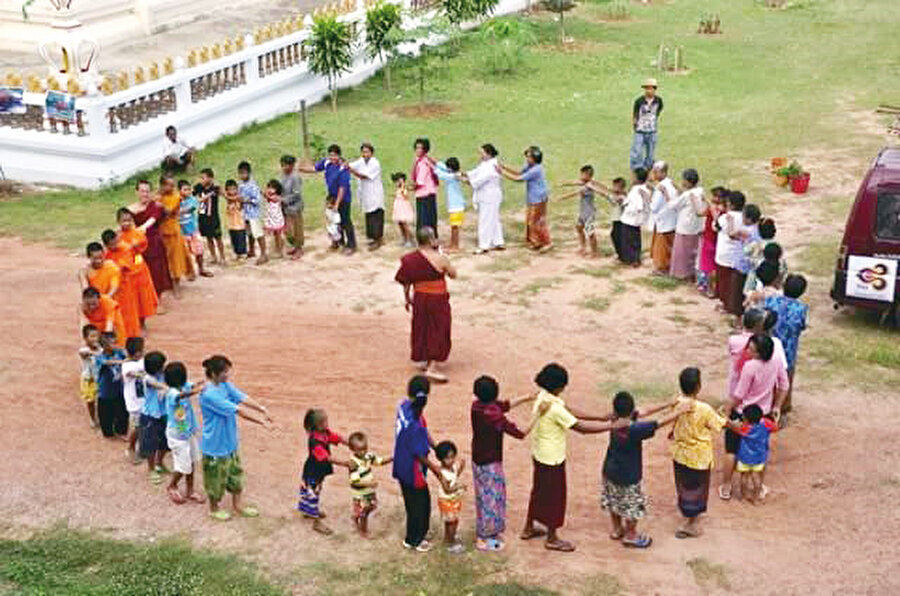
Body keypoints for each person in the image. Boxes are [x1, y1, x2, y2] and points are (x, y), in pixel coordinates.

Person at [521, 363, 620, 553]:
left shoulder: (544, 397)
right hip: (553, 458)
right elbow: (580, 428)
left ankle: (529, 527)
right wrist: (611, 426)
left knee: (539, 491)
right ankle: (552, 538)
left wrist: (600, 418)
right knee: (555, 498)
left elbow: (569, 409)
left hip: (540, 453)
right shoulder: (554, 407)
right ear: (559, 387)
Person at [601, 392, 686, 549]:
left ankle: (617, 529)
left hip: (610, 469)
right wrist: (678, 412)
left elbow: (646, 411)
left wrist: (668, 403)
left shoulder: (614, 420)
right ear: (632, 409)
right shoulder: (635, 429)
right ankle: (631, 535)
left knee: (614, 500)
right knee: (632, 506)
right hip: (628, 475)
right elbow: (657, 423)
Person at [470, 376, 544, 552]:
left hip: (478, 457)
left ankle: (487, 531)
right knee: (491, 497)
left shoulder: (477, 406)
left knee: (483, 496)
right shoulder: (493, 415)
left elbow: (505, 405)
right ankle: (483, 537)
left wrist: (526, 397)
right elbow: (521, 433)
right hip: (490, 461)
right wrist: (538, 415)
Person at [199, 355, 273, 521]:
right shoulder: (209, 395)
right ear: (214, 373)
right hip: (215, 446)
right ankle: (213, 508)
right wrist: (261, 422)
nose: (228, 374)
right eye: (225, 372)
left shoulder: (224, 385)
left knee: (236, 474)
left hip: (229, 441)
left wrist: (262, 409)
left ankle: (237, 505)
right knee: (215, 479)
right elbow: (238, 410)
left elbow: (242, 397)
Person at [719, 334, 788, 500]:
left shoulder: (750, 366)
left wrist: (727, 410)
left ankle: (727, 485)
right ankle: (759, 485)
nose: (747, 351)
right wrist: (777, 406)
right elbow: (784, 385)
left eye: (751, 349)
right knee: (760, 450)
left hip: (744, 414)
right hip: (763, 415)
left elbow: (739, 395)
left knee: (731, 449)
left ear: (759, 353)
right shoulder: (777, 361)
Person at [392, 376, 452, 553]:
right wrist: (437, 471)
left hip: (401, 463)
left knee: (412, 501)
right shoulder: (415, 423)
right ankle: (414, 539)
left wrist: (436, 447)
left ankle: (417, 533)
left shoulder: (404, 407)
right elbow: (419, 453)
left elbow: (424, 432)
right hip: (413, 470)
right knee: (420, 504)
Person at [395, 227, 457, 383]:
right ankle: (432, 367)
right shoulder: (440, 258)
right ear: (431, 240)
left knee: (422, 327)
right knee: (438, 328)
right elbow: (453, 274)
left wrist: (407, 298)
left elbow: (406, 281)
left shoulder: (410, 259)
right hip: (437, 298)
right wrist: (443, 255)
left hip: (420, 297)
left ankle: (424, 358)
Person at [671, 367, 726, 539]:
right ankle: (691, 524)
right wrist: (727, 417)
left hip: (680, 454)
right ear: (698, 387)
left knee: (684, 485)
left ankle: (688, 517)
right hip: (699, 456)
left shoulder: (677, 402)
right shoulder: (705, 409)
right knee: (698, 488)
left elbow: (674, 420)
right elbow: (719, 424)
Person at [298, 408, 350, 535]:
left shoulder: (324, 433)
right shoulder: (315, 441)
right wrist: (345, 463)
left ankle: (307, 511)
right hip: (314, 471)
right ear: (318, 425)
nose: (327, 423)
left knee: (313, 490)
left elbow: (336, 437)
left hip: (318, 469)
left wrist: (349, 443)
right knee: (314, 492)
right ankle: (316, 521)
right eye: (324, 421)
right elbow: (328, 458)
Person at [764, 274, 808, 415]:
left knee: (767, 375)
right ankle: (782, 407)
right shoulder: (801, 308)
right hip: (788, 349)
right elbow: (800, 326)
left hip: (769, 346)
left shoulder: (771, 300)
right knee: (786, 378)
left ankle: (765, 403)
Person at [163, 361, 206, 505]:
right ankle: (172, 485)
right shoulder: (172, 393)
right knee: (183, 466)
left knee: (192, 462)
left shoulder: (184, 385)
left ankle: (190, 490)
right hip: (177, 436)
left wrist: (200, 384)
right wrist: (196, 391)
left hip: (188, 432)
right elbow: (181, 395)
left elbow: (190, 386)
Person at [304, 145, 356, 254]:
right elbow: (315, 168)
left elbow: (343, 188)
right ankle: (337, 241)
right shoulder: (326, 162)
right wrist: (301, 169)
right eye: (331, 155)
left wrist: (337, 203)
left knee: (345, 221)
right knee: (333, 221)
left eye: (335, 155)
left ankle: (351, 245)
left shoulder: (343, 168)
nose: (332, 158)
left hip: (344, 198)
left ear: (339, 155)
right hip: (331, 197)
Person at [498, 146, 551, 251]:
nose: (527, 159)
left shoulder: (536, 169)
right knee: (530, 220)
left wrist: (501, 172)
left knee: (536, 221)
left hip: (539, 198)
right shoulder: (530, 166)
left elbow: (518, 178)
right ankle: (535, 241)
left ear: (534, 158)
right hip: (533, 198)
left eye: (529, 157)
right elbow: (519, 172)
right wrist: (503, 167)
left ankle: (546, 242)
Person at [82, 240, 139, 338]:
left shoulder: (111, 267)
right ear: (88, 257)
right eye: (95, 258)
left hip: (112, 301)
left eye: (101, 257)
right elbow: (85, 288)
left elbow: (114, 286)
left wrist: (104, 299)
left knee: (121, 330)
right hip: (95, 304)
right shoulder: (85, 271)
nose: (98, 261)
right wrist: (91, 302)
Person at [113, 208, 160, 324]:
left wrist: (134, 245)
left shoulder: (138, 234)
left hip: (139, 271)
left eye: (129, 220)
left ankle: (142, 321)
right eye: (124, 221)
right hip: (124, 273)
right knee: (128, 298)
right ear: (118, 222)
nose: (127, 223)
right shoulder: (116, 236)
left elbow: (142, 246)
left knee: (141, 297)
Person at [724, 404, 777, 504]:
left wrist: (725, 417)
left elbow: (732, 427)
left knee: (744, 477)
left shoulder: (744, 428)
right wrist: (775, 418)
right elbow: (775, 427)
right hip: (759, 458)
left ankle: (743, 497)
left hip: (745, 458)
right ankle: (756, 499)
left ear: (746, 418)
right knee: (756, 478)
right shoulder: (766, 424)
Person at [129, 180, 173, 296]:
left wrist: (142, 228)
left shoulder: (156, 206)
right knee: (140, 270)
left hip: (154, 243)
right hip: (138, 245)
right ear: (137, 192)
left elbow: (153, 219)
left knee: (156, 272)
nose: (145, 194)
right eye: (142, 191)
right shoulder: (131, 209)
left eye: (147, 191)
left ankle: (158, 299)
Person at [346, 431, 392, 537]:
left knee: (370, 507)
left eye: (365, 448)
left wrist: (392, 458)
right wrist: (368, 484)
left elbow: (379, 461)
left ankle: (356, 517)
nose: (363, 452)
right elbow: (354, 482)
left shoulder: (368, 456)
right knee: (364, 513)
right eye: (360, 450)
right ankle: (363, 531)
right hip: (360, 493)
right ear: (352, 449)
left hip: (369, 491)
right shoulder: (353, 464)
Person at [158, 174, 195, 295]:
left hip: (173, 230)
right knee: (165, 258)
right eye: (169, 185)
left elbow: (168, 211)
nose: (172, 187)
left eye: (173, 185)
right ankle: (167, 281)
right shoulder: (158, 197)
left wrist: (159, 202)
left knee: (176, 258)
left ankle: (176, 284)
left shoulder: (176, 197)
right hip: (160, 232)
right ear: (162, 185)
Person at [556, 165, 601, 258]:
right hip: (583, 212)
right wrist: (564, 184)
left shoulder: (589, 186)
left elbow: (575, 193)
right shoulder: (587, 183)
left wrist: (561, 198)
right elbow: (575, 182)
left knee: (590, 232)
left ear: (588, 176)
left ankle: (594, 252)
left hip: (589, 213)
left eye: (583, 174)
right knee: (579, 227)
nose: (580, 176)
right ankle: (583, 247)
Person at [467, 143, 505, 254]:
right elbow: (475, 172)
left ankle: (484, 245)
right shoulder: (485, 164)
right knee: (493, 219)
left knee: (485, 220)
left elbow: (479, 180)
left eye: (482, 153)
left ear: (488, 154)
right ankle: (498, 241)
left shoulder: (492, 166)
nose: (480, 155)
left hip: (489, 197)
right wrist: (462, 174)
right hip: (487, 196)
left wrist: (465, 180)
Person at [347, 142, 385, 251]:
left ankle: (378, 239)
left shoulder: (375, 163)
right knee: (369, 215)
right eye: (363, 152)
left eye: (367, 152)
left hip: (375, 193)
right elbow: (351, 165)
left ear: (372, 153)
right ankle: (372, 238)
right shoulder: (361, 161)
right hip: (366, 193)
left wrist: (351, 170)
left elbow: (364, 176)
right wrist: (344, 164)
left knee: (376, 215)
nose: (365, 154)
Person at [139, 350, 170, 485]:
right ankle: (151, 469)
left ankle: (159, 463)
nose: (164, 366)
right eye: (162, 365)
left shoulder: (164, 375)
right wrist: (170, 388)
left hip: (164, 414)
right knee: (150, 444)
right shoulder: (148, 378)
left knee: (165, 441)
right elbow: (162, 386)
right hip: (150, 416)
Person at [669, 168, 705, 280]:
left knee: (682, 253)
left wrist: (666, 194)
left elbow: (673, 205)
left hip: (685, 227)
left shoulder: (687, 195)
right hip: (696, 227)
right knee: (693, 251)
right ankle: (692, 272)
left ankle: (682, 274)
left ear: (688, 182)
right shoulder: (700, 191)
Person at [714, 191, 747, 316]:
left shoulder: (726, 217)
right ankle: (734, 305)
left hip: (725, 255)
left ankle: (726, 305)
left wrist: (716, 215)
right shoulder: (745, 217)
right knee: (735, 284)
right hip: (738, 255)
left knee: (724, 283)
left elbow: (715, 227)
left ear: (730, 204)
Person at [94, 332, 129, 440]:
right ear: (104, 346)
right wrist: (122, 361)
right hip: (105, 391)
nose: (115, 345)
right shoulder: (99, 357)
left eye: (115, 342)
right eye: (111, 343)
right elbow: (106, 362)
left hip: (119, 389)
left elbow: (127, 356)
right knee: (106, 414)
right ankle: (108, 432)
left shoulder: (119, 352)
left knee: (122, 412)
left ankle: (121, 431)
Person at [435, 440, 466, 554]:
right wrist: (460, 487)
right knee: (453, 522)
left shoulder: (451, 468)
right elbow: (447, 490)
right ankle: (451, 543)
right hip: (448, 500)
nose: (451, 460)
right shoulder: (442, 473)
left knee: (449, 521)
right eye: (448, 458)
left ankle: (447, 539)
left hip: (452, 500)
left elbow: (454, 477)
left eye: (453, 457)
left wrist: (461, 468)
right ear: (441, 459)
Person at [732, 203, 763, 315]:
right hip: (751, 267)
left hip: (742, 266)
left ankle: (738, 319)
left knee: (738, 294)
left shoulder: (746, 231)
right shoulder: (758, 230)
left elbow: (732, 234)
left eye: (743, 216)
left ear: (749, 219)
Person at [648, 161, 679, 275]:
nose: (654, 174)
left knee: (662, 246)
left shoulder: (660, 188)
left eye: (656, 172)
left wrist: (648, 198)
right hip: (672, 220)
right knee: (669, 245)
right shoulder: (671, 183)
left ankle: (661, 268)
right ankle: (669, 265)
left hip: (663, 220)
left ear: (663, 172)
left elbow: (654, 207)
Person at [178, 180, 212, 278]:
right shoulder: (176, 201)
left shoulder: (192, 200)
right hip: (182, 232)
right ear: (179, 191)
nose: (188, 192)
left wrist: (177, 211)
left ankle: (201, 269)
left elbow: (191, 208)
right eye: (185, 190)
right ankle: (189, 272)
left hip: (193, 230)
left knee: (199, 251)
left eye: (189, 189)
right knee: (186, 254)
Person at [697, 187, 727, 297]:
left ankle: (709, 289)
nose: (715, 198)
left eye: (717, 196)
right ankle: (712, 287)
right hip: (714, 239)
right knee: (712, 266)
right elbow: (701, 214)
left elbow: (714, 219)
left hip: (711, 240)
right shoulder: (724, 209)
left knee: (708, 266)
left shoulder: (718, 210)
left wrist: (707, 203)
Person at [618, 167, 650, 266]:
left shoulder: (638, 190)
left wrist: (626, 205)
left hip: (631, 219)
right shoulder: (642, 188)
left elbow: (638, 205)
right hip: (633, 219)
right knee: (634, 238)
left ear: (637, 178)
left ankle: (633, 259)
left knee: (630, 239)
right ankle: (633, 258)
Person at [121, 337, 146, 464]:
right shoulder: (126, 365)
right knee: (137, 427)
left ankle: (142, 446)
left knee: (144, 425)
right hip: (134, 403)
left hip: (143, 400)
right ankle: (130, 448)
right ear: (136, 353)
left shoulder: (141, 361)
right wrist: (143, 375)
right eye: (142, 350)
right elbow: (131, 373)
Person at [237, 161, 268, 264]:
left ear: (249, 173)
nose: (242, 175)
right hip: (246, 213)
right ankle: (252, 250)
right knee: (249, 233)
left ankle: (264, 254)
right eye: (240, 173)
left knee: (258, 233)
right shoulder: (241, 185)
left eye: (244, 173)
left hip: (254, 214)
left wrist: (245, 200)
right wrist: (240, 205)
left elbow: (257, 200)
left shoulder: (253, 185)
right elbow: (240, 198)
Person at [433, 158, 465, 252]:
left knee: (455, 227)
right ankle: (453, 244)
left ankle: (455, 246)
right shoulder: (454, 174)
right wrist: (435, 162)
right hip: (456, 205)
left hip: (456, 206)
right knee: (453, 226)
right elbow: (443, 167)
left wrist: (432, 166)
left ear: (451, 168)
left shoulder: (451, 177)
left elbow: (440, 173)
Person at [630, 78, 663, 171]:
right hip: (640, 130)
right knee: (637, 150)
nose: (648, 91)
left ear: (654, 89)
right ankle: (637, 168)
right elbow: (635, 114)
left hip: (652, 130)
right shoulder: (639, 101)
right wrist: (635, 124)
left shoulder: (658, 101)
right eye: (646, 88)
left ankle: (648, 167)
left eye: (650, 88)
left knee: (651, 152)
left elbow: (659, 111)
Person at [195, 168, 226, 265]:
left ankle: (222, 257)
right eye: (201, 178)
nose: (201, 180)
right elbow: (194, 198)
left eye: (203, 178)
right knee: (208, 238)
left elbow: (224, 195)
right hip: (203, 216)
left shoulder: (215, 188)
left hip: (214, 217)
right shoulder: (198, 187)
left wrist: (220, 189)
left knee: (218, 237)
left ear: (210, 178)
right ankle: (213, 257)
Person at [741, 218, 777, 298]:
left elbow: (744, 252)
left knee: (749, 292)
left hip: (755, 273)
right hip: (773, 274)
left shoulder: (755, 244)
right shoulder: (776, 246)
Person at [411, 138, 439, 237]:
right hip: (430, 192)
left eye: (420, 148)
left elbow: (420, 181)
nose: (418, 150)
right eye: (417, 148)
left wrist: (408, 187)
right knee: (430, 217)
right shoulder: (426, 160)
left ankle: (425, 239)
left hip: (424, 193)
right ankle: (432, 237)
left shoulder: (422, 163)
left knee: (424, 219)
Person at [279, 156, 305, 258]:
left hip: (295, 208)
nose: (285, 167)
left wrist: (283, 200)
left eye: (287, 165)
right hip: (285, 208)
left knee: (297, 229)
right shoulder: (283, 176)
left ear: (292, 165)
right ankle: (294, 246)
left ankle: (299, 249)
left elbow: (296, 194)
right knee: (288, 230)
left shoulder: (295, 177)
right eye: (283, 165)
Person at [78, 324, 101, 429]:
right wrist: (96, 352)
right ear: (85, 338)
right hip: (89, 379)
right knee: (90, 401)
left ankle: (100, 417)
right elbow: (83, 353)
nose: (95, 339)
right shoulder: (84, 350)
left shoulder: (100, 348)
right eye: (92, 336)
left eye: (96, 336)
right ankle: (92, 418)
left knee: (101, 399)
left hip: (99, 378)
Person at [223, 179, 248, 259]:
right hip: (232, 224)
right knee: (234, 240)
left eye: (234, 189)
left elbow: (235, 199)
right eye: (230, 189)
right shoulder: (229, 200)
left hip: (240, 224)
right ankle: (237, 254)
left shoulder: (239, 197)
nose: (232, 191)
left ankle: (243, 254)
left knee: (241, 239)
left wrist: (224, 195)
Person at [263, 180, 286, 259]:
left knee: (278, 235)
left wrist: (265, 194)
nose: (270, 189)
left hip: (277, 219)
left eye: (272, 188)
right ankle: (277, 249)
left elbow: (272, 198)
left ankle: (279, 250)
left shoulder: (277, 197)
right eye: (269, 187)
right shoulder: (268, 196)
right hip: (271, 218)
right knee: (275, 235)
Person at [391, 172, 415, 247]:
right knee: (400, 224)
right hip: (398, 208)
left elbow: (406, 196)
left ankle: (409, 239)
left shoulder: (404, 189)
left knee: (405, 224)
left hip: (403, 208)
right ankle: (404, 238)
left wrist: (402, 187)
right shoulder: (398, 189)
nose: (396, 183)